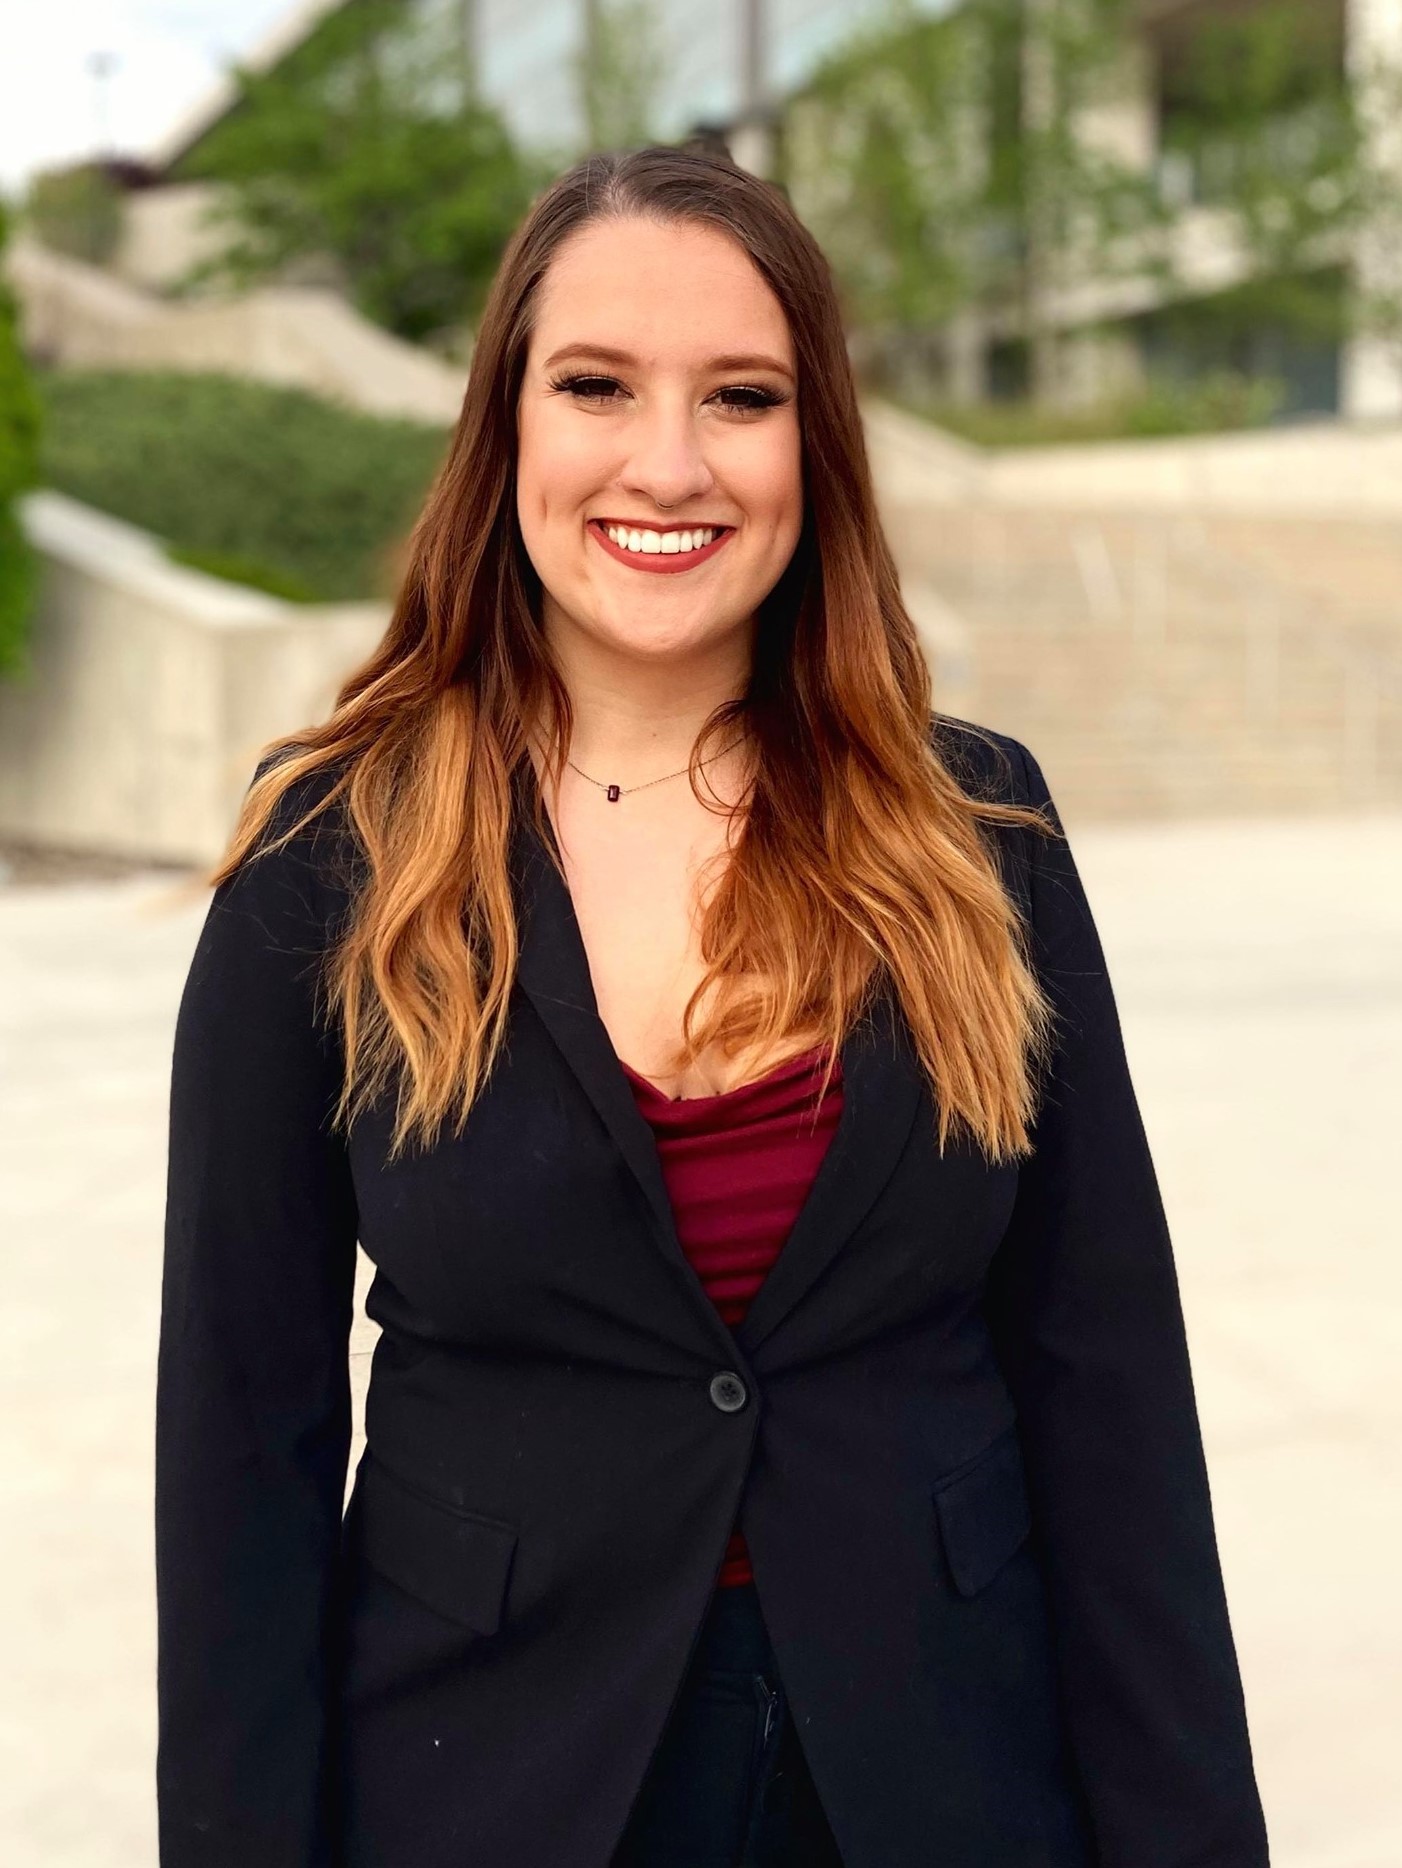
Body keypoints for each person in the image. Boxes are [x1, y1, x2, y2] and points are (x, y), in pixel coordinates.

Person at [154, 145, 1270, 1868]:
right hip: (490, 1775)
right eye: (596, 386)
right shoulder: (329, 860)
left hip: (942, 1772)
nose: (666, 463)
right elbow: (243, 1441)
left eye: (739, 397)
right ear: (505, 427)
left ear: (812, 443)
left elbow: (1107, 1390)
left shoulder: (983, 836)